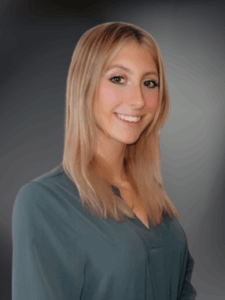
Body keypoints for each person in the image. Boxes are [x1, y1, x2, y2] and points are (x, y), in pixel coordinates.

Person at [12, 22, 197, 300]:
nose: (137, 100)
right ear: (85, 85)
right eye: (118, 79)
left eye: (149, 83)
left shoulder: (160, 208)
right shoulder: (45, 203)